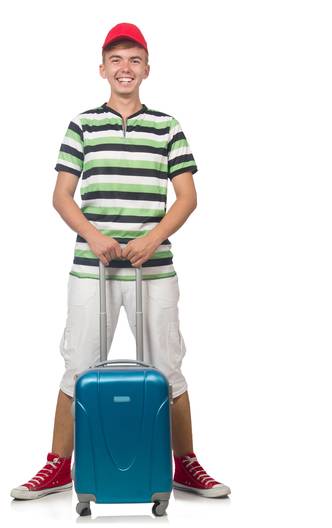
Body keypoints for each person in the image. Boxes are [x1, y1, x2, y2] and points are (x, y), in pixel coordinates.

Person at [11, 22, 230, 501]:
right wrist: (93, 236)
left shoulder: (167, 126)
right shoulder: (82, 124)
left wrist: (152, 239)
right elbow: (62, 195)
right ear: (102, 69)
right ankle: (57, 467)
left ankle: (185, 465)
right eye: (116, 60)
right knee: (79, 366)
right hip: (93, 268)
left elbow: (187, 197)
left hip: (153, 267)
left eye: (134, 59)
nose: (124, 68)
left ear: (147, 69)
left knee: (167, 367)